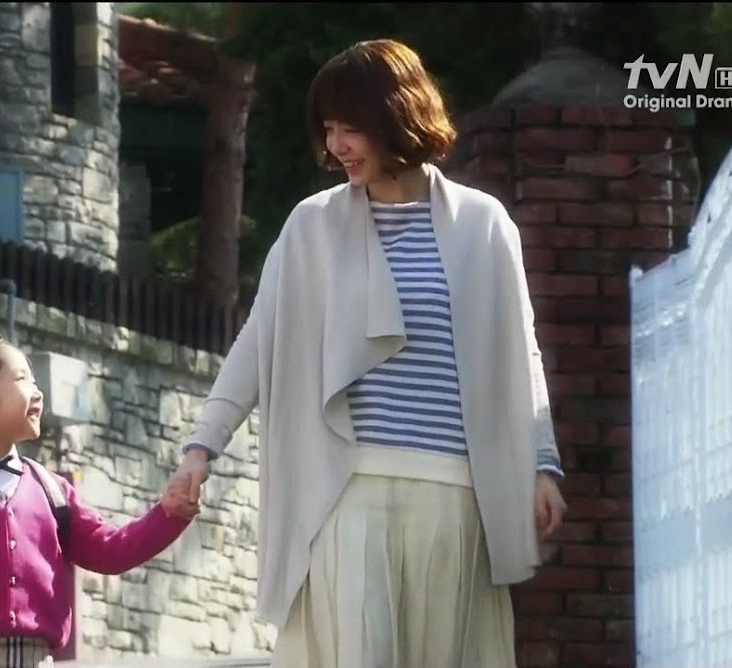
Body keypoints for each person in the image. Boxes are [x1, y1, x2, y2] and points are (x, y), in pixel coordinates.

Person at [161, 39, 568, 668]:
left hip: (452, 496)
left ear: (397, 118)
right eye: (329, 130)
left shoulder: (484, 224)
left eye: (350, 128)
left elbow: (522, 352)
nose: (337, 146)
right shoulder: (311, 226)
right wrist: (200, 449)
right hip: (344, 494)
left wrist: (543, 464)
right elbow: (257, 342)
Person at [0, 337, 200, 668]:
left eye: (34, 379)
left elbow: (112, 551)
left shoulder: (52, 491)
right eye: (21, 379)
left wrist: (169, 513)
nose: (38, 392)